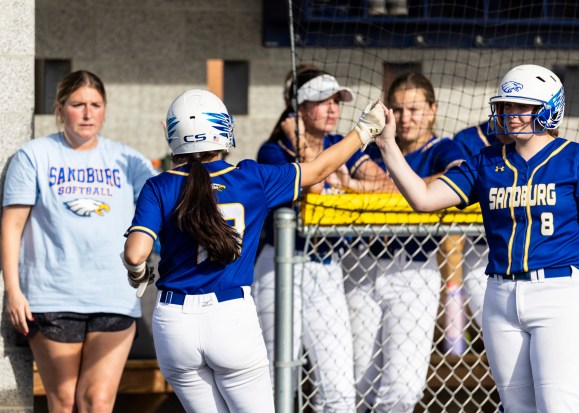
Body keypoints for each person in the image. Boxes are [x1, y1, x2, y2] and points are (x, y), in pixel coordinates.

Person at [374, 64, 579, 412]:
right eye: (506, 105)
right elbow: (423, 199)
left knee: (557, 407)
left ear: (547, 108)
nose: (509, 113)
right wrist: (386, 144)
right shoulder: (486, 161)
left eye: (521, 106)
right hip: (500, 298)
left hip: (561, 296)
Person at [122, 89, 386, 413]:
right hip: (229, 316)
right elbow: (317, 170)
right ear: (224, 129)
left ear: (174, 134)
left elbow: (136, 253)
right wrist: (363, 130)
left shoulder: (159, 185)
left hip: (174, 322)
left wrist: (137, 273)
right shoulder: (250, 177)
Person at [2, 70, 156, 412]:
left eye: (96, 104)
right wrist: (13, 292)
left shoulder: (128, 160)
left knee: (97, 402)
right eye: (77, 104)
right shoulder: (35, 156)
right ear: (60, 108)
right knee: (64, 401)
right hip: (53, 296)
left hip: (114, 295)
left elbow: (160, 210)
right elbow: (12, 226)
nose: (88, 113)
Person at [252, 69, 392, 412]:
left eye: (336, 101)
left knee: (339, 388)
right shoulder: (274, 150)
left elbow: (384, 182)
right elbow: (312, 185)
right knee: (273, 377)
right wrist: (300, 141)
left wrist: (350, 185)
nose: (333, 108)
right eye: (321, 101)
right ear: (297, 108)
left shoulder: (337, 144)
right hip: (280, 269)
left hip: (328, 269)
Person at [342, 72, 465, 411]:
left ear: (433, 110)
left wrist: (365, 188)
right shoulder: (368, 146)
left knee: (403, 384)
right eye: (398, 109)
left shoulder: (443, 148)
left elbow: (452, 179)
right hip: (361, 266)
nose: (406, 117)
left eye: (415, 109)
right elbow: (344, 170)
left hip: (414, 270)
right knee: (359, 381)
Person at [450, 122, 513, 330]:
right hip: (480, 251)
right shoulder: (468, 139)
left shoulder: (537, 140)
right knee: (497, 330)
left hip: (533, 250)